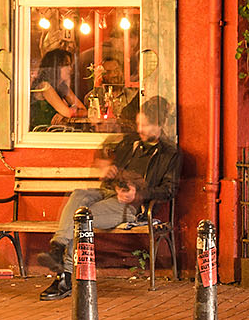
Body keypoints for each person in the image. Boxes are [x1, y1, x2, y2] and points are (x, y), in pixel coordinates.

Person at [38, 96, 180, 301]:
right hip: (109, 191)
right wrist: (108, 169)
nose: (139, 129)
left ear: (159, 125)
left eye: (145, 125)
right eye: (138, 123)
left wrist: (137, 194)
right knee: (79, 194)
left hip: (131, 204)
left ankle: (65, 276)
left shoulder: (170, 153)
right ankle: (57, 247)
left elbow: (169, 190)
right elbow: (105, 155)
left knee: (82, 218)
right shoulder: (131, 141)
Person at [30, 46, 82, 128]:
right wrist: (68, 112)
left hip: (54, 132)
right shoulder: (44, 86)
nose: (70, 69)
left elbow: (84, 110)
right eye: (66, 65)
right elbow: (68, 113)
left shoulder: (61, 86)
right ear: (55, 67)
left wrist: (66, 112)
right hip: (40, 134)